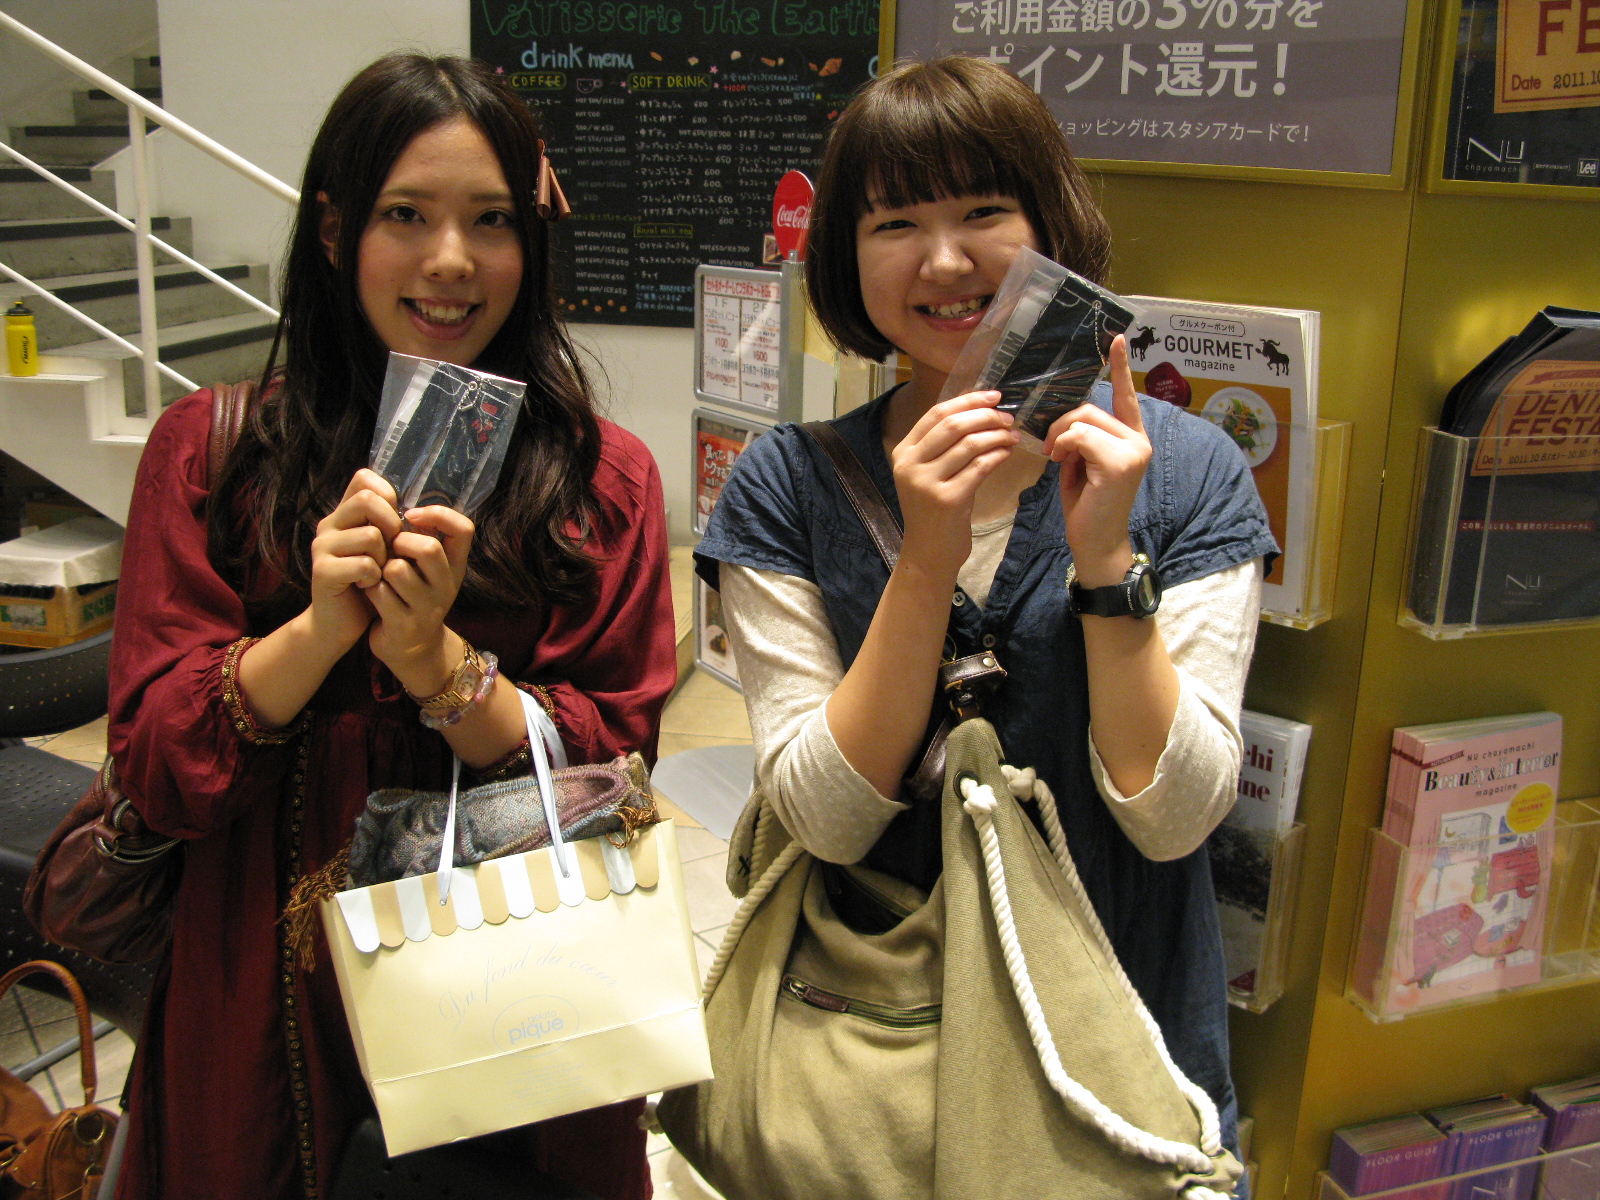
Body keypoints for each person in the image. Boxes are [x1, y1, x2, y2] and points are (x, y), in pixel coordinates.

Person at [693, 55, 1276, 1180]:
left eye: (983, 211)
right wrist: (926, 558)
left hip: (1121, 1046)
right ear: (844, 256)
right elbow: (825, 818)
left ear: (1050, 223)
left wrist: (1105, 562)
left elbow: (1175, 819)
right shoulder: (787, 485)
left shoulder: (1188, 471)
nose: (946, 260)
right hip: (872, 1058)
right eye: (894, 223)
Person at [107, 54, 675, 1200]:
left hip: (511, 992)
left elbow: (611, 769)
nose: (451, 260)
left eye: (491, 220)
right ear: (335, 230)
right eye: (406, 215)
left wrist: (438, 666)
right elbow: (158, 767)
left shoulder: (599, 481)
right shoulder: (215, 453)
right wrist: (318, 631)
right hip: (260, 995)